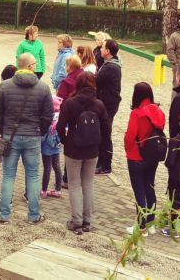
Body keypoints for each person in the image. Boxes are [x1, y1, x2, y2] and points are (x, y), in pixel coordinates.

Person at [0, 53, 54, 224]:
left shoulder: (5, 86)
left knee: (8, 175)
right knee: (33, 175)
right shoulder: (43, 88)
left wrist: (4, 130)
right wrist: (40, 131)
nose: (36, 65)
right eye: (35, 63)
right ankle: (34, 215)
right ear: (30, 66)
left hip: (10, 136)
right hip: (33, 136)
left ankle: (4, 215)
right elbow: (48, 115)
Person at [56, 72, 110, 235]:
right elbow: (106, 129)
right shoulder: (99, 104)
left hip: (73, 149)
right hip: (92, 150)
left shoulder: (70, 103)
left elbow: (60, 126)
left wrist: (65, 141)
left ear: (77, 85)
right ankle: (87, 221)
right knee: (88, 184)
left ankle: (77, 221)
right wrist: (100, 145)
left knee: (74, 185)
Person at [123, 82, 166, 234]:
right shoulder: (158, 112)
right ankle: (150, 223)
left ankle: (141, 227)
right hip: (152, 155)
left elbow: (130, 136)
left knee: (139, 191)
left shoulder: (137, 113)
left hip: (136, 155)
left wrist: (128, 149)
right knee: (150, 187)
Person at [95, 39, 122, 175]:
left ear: (108, 51)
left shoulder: (111, 67)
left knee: (105, 134)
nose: (100, 49)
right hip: (106, 103)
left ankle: (105, 165)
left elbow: (96, 81)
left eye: (103, 47)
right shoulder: (108, 64)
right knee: (102, 133)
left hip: (108, 105)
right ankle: (100, 162)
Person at [41, 96, 64, 199]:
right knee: (57, 167)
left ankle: (44, 191)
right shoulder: (61, 116)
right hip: (56, 146)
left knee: (47, 168)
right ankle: (58, 190)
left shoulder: (47, 116)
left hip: (46, 147)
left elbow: (43, 134)